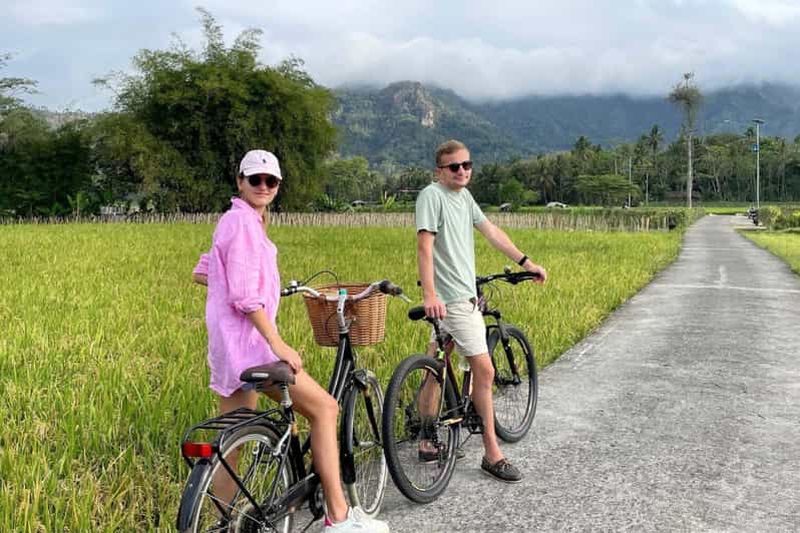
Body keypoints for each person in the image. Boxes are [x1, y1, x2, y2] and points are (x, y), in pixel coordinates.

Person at [193, 149, 389, 532]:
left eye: (271, 181)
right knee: (325, 410)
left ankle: (222, 524)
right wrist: (276, 341)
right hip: (251, 346)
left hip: (227, 348)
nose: (263, 186)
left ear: (278, 185)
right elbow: (246, 296)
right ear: (240, 182)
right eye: (255, 179)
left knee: (234, 438)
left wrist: (251, 290)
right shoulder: (245, 225)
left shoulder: (237, 221)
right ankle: (339, 516)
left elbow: (206, 271)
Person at [415, 139, 548, 483]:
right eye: (454, 167)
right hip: (453, 299)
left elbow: (491, 232)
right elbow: (424, 246)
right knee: (485, 371)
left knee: (437, 365)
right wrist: (430, 291)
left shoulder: (464, 197)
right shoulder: (433, 195)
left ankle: (427, 438)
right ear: (439, 171)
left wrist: (525, 261)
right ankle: (492, 453)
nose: (462, 171)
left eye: (467, 165)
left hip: (453, 297)